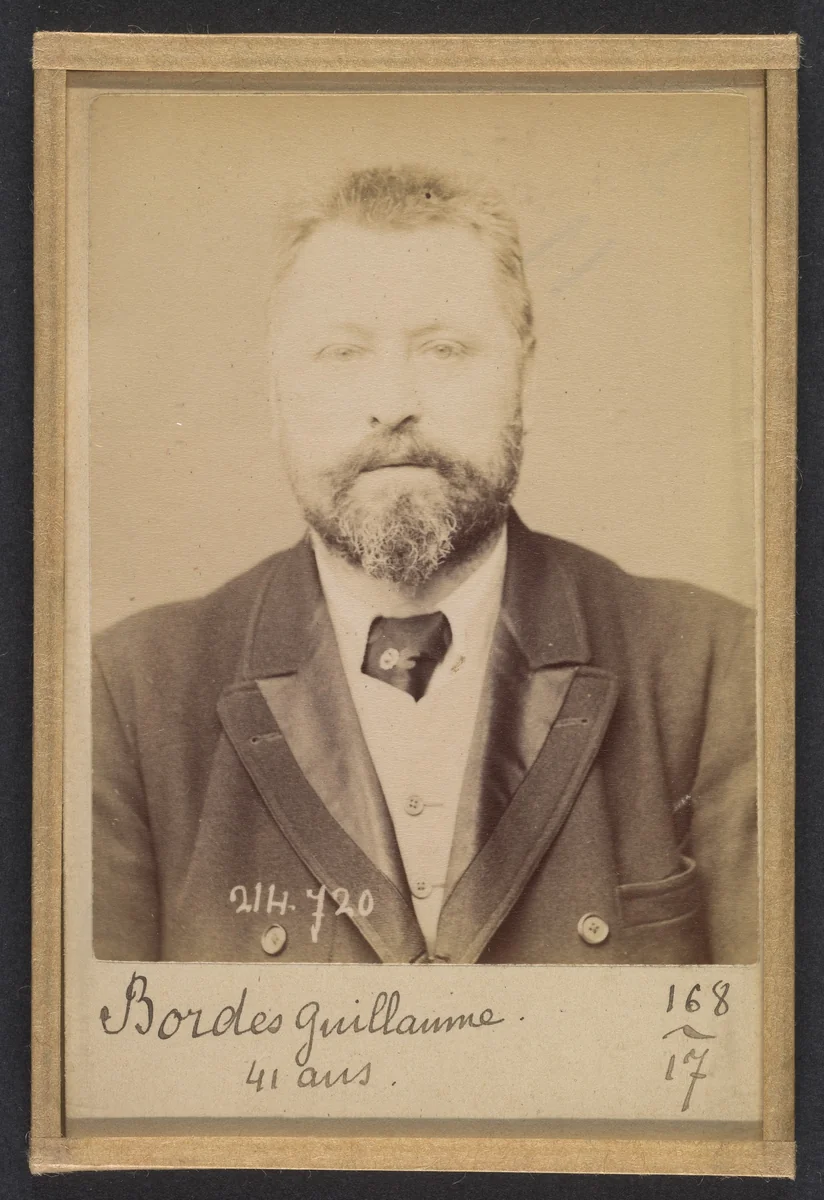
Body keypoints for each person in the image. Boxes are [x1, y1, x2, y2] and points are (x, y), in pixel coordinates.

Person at [93, 164, 757, 965]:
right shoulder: (131, 693)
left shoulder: (716, 669)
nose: (393, 399)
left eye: (444, 348)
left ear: (526, 380)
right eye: (342, 352)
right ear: (275, 396)